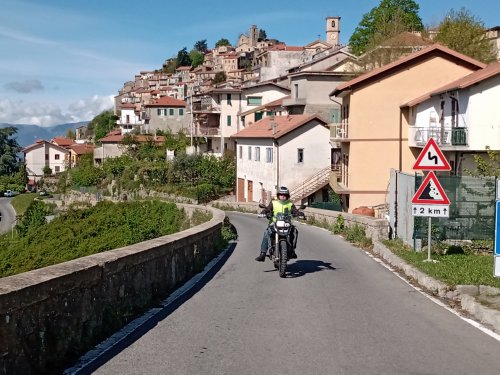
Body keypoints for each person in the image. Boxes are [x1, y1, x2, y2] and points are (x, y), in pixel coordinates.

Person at [255, 186, 304, 262]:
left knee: (295, 231)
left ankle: (292, 250)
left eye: (284, 195)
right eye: (281, 194)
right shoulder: (274, 202)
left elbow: (294, 211)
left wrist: (299, 213)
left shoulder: (290, 204)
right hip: (274, 223)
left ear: (287, 196)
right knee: (267, 232)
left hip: (287, 224)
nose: (283, 196)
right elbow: (268, 209)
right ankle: (263, 254)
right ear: (278, 195)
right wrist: (263, 213)